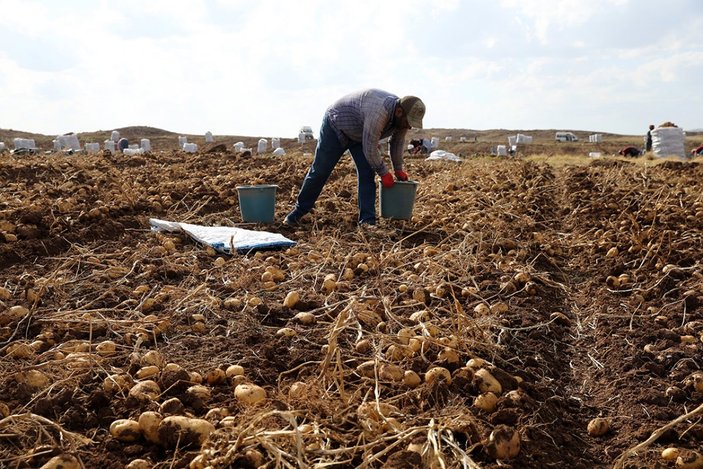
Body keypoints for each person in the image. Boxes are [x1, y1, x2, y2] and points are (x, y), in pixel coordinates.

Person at [284, 89, 426, 226]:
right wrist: (384, 172)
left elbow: (397, 142)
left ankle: (367, 221)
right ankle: (298, 212)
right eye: (408, 122)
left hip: (359, 135)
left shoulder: (401, 119)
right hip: (336, 126)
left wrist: (398, 168)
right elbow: (370, 147)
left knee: (367, 173)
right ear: (399, 112)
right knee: (320, 170)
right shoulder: (378, 112)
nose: (409, 127)